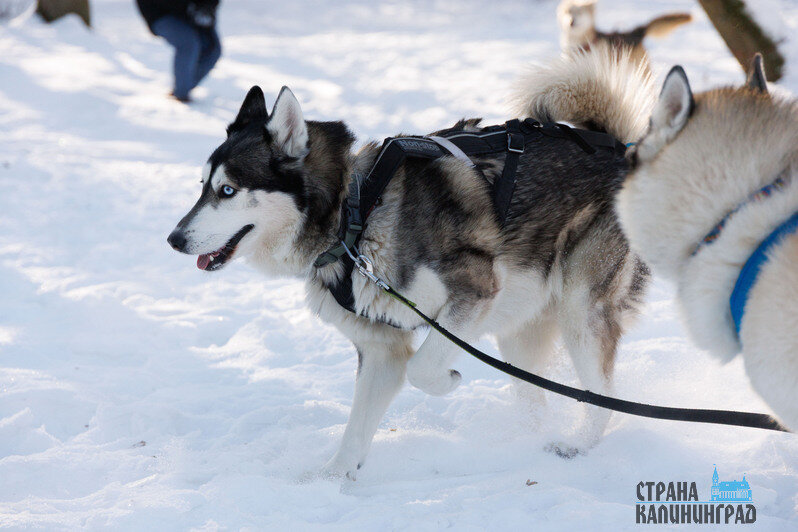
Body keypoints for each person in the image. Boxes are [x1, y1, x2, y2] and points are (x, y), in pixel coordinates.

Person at [136, 0, 221, 102]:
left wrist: (206, 8)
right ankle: (181, 93)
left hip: (195, 12)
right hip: (161, 13)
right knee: (188, 43)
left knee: (212, 49)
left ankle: (184, 86)